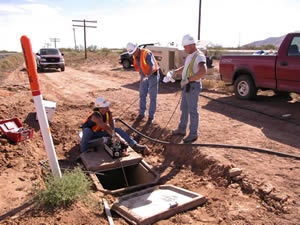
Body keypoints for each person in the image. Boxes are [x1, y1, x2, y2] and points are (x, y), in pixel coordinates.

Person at [171, 34, 207, 143]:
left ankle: (193, 134)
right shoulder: (190, 55)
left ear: (192, 45)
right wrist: (175, 71)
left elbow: (203, 71)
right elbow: (186, 67)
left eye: (186, 47)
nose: (184, 49)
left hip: (193, 86)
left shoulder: (199, 56)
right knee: (184, 109)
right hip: (187, 86)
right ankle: (182, 129)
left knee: (192, 110)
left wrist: (189, 79)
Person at [80, 97, 149, 154]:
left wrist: (114, 132)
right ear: (100, 108)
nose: (107, 107)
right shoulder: (95, 116)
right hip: (91, 135)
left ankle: (134, 145)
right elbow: (106, 127)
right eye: (105, 106)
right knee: (87, 130)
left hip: (99, 132)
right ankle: (83, 151)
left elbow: (111, 123)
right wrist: (117, 137)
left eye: (107, 106)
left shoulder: (108, 112)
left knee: (118, 129)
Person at [126, 42, 160, 123]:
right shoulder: (135, 56)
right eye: (131, 53)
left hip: (153, 75)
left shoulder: (146, 53)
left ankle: (151, 117)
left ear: (137, 48)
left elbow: (152, 67)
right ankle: (142, 113)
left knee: (152, 96)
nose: (133, 54)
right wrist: (142, 75)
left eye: (133, 52)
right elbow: (138, 67)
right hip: (144, 75)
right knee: (142, 94)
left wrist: (146, 76)